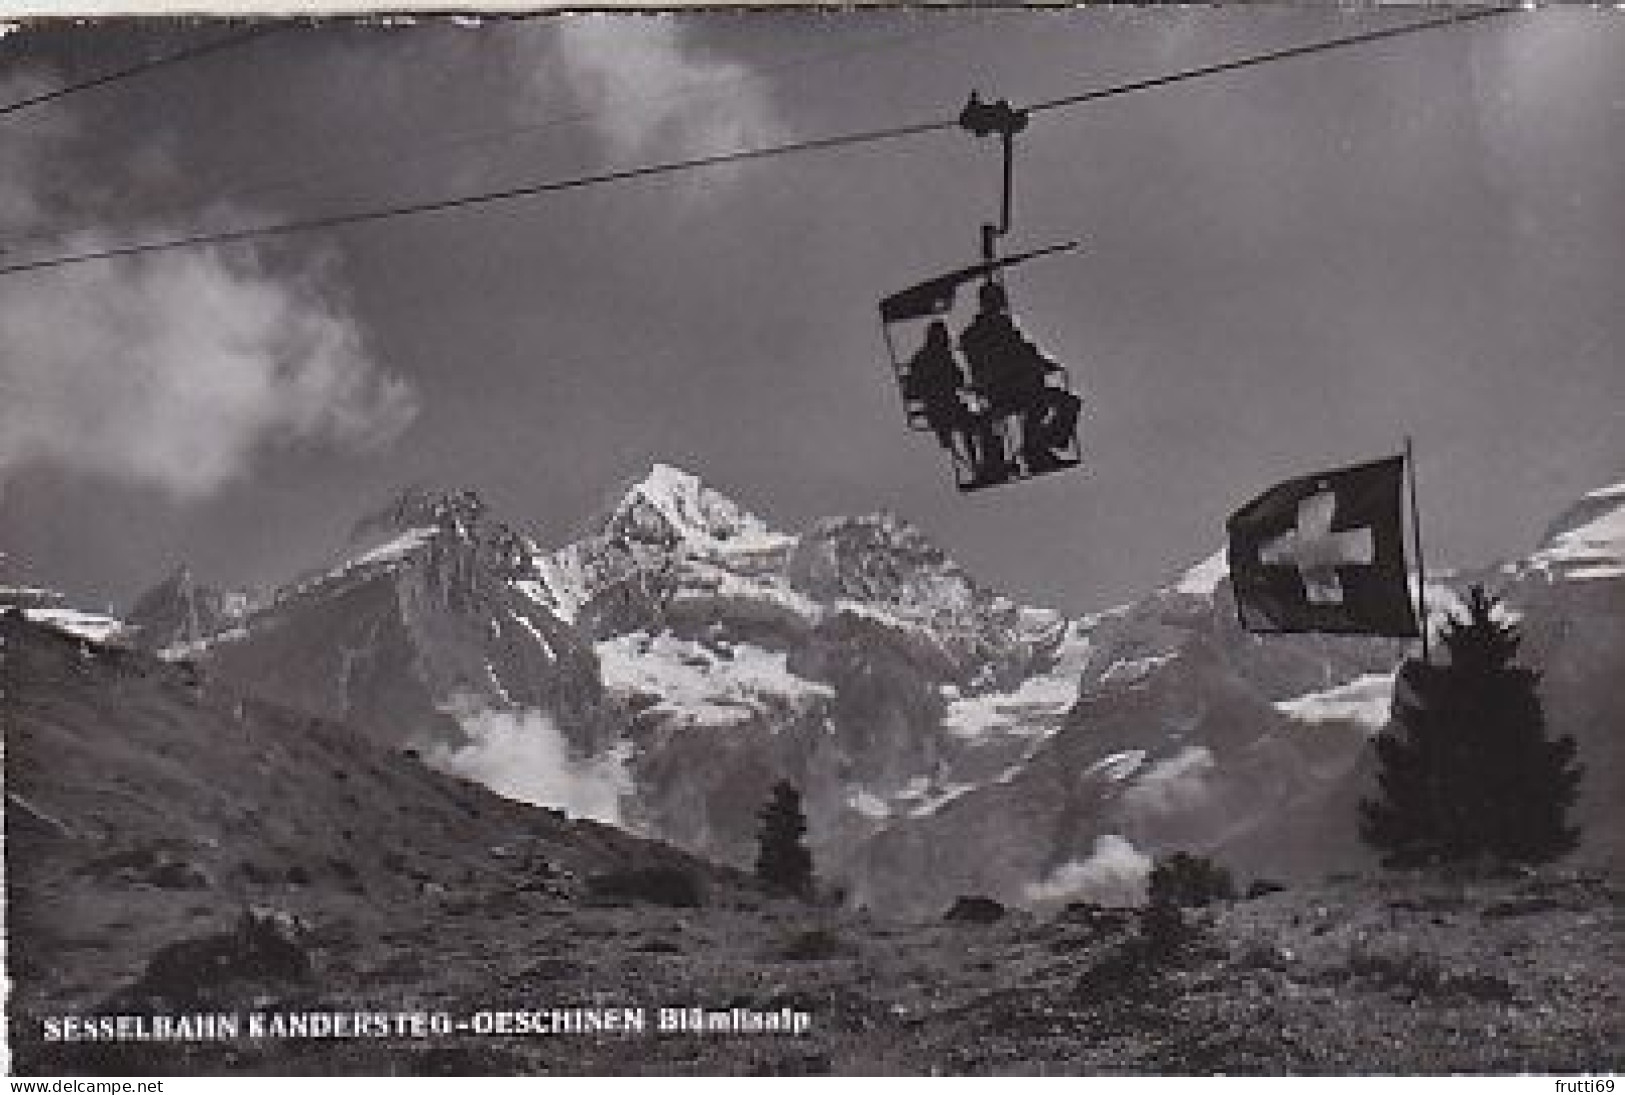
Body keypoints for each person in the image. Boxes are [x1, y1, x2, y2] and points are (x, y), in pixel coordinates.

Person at [958, 281, 1081, 475]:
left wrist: (1043, 363)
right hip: (1004, 392)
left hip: (1010, 389)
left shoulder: (983, 332)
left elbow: (1026, 352)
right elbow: (1020, 355)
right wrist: (1040, 364)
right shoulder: (988, 332)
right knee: (1047, 403)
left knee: (1065, 402)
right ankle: (1037, 450)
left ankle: (1040, 446)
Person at [903, 320, 1006, 483]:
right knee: (984, 421)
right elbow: (957, 380)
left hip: (944, 409)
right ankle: (988, 467)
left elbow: (913, 389)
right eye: (944, 337)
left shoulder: (925, 357)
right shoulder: (937, 358)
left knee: (979, 419)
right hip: (944, 411)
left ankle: (986, 467)